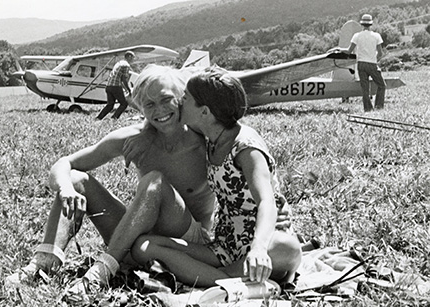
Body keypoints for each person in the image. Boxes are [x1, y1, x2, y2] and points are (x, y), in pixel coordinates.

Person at [131, 66, 302, 287]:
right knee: (143, 245)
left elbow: (266, 201)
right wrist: (146, 133)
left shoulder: (246, 149)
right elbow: (160, 121)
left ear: (204, 112)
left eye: (186, 99)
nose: (180, 103)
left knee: (286, 248)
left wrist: (258, 247)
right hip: (225, 246)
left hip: (265, 245)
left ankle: (221, 279)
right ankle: (230, 280)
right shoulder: (211, 135)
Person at [340, 14, 386, 112]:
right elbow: (381, 53)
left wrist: (339, 50)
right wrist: (375, 60)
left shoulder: (356, 36)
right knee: (382, 85)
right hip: (372, 64)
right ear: (371, 24)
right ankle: (378, 106)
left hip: (361, 64)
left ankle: (368, 109)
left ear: (362, 24)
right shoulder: (376, 36)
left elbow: (349, 51)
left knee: (365, 89)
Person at [96, 50, 135, 120]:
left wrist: (124, 88)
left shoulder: (118, 63)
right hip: (115, 86)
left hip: (108, 86)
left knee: (110, 105)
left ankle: (98, 118)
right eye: (133, 58)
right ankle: (114, 118)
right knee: (124, 104)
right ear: (129, 57)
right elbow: (123, 79)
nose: (133, 60)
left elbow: (118, 78)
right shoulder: (126, 65)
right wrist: (128, 90)